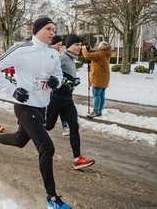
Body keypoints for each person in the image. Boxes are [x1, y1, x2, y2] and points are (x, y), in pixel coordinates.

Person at [0, 17, 72, 209]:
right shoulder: (21, 49)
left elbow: (58, 76)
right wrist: (12, 90)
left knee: (19, 141)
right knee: (46, 147)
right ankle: (52, 199)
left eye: (54, 29)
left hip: (41, 105)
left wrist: (57, 81)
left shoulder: (53, 53)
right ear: (37, 30)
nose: (52, 32)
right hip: (24, 106)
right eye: (48, 28)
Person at [46, 34, 95, 170]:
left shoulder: (71, 59)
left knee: (74, 126)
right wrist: (62, 82)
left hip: (68, 100)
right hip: (56, 99)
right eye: (77, 45)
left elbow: (65, 77)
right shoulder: (62, 58)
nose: (80, 47)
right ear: (69, 46)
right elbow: (48, 74)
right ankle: (25, 123)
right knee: (47, 126)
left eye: (80, 44)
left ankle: (77, 159)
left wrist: (73, 82)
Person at [82, 41, 112, 118]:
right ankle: (99, 110)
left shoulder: (100, 54)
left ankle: (96, 111)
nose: (98, 46)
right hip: (104, 77)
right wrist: (91, 50)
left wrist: (84, 49)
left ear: (102, 47)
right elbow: (95, 55)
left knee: (96, 94)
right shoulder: (105, 53)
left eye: (99, 45)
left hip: (98, 77)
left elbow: (88, 56)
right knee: (101, 94)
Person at [50, 35, 70, 136]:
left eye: (61, 45)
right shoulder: (49, 52)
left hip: (58, 84)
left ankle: (65, 125)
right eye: (58, 44)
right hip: (49, 84)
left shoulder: (59, 54)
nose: (59, 46)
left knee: (60, 105)